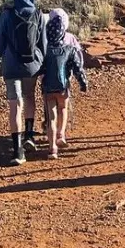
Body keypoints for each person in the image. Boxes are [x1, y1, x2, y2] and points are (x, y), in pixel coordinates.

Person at [0, 0, 47, 165]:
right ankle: (29, 136)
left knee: (15, 104)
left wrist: (3, 55)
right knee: (30, 97)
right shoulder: (38, 14)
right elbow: (43, 44)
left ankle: (17, 151)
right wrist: (42, 62)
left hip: (11, 65)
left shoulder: (7, 14)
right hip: (32, 65)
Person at [40, 9, 88, 159]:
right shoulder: (69, 48)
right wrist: (83, 83)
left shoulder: (44, 49)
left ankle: (52, 148)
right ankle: (61, 134)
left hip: (47, 87)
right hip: (63, 87)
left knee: (51, 116)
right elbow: (78, 67)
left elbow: (39, 68)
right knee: (63, 108)